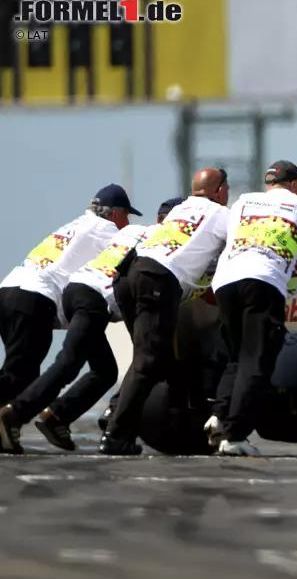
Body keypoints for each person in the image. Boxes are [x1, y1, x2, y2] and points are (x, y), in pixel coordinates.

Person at [0, 184, 139, 453]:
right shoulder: (108, 231)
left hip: (10, 290)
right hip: (35, 298)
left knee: (22, 373)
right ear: (115, 213)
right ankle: (19, 419)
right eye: (127, 215)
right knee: (20, 376)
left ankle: (52, 418)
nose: (128, 222)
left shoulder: (75, 224)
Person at [101, 170, 229, 456]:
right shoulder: (222, 215)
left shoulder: (180, 210)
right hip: (157, 279)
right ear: (220, 192)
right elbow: (240, 249)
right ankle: (116, 434)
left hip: (128, 275)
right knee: (148, 361)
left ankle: (117, 413)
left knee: (152, 358)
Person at [206, 160, 297, 456]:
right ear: (294, 185)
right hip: (264, 280)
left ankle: (219, 414)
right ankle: (235, 435)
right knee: (258, 360)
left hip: (226, 281)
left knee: (237, 356)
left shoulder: (243, 201)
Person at [100, 197, 185, 430]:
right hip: (146, 292)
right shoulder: (172, 239)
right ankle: (118, 422)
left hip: (118, 290)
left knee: (145, 355)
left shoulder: (138, 233)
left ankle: (115, 408)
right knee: (150, 358)